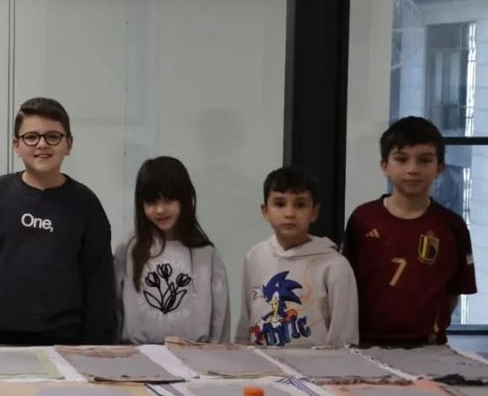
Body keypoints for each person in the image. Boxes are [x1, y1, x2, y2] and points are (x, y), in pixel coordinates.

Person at [0, 97, 116, 345]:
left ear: (69, 144)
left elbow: (99, 286)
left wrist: (94, 349)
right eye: (31, 137)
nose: (42, 144)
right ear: (16, 145)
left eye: (53, 137)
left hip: (64, 345)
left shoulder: (85, 205)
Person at [343, 116, 475, 346]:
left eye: (424, 160)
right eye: (401, 159)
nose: (412, 169)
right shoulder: (362, 219)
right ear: (384, 166)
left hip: (428, 346)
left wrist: (432, 327)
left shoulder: (452, 225)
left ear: (440, 167)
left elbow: (454, 291)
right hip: (366, 343)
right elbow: (344, 283)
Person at [236, 166, 358, 347]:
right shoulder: (255, 256)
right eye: (279, 204)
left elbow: (344, 337)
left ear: (314, 212)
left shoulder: (335, 265)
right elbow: (246, 322)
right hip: (261, 362)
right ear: (265, 211)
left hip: (318, 364)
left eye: (300, 205)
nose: (289, 214)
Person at [115, 157, 229, 344]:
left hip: (195, 356)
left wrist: (217, 355)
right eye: (151, 202)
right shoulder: (128, 249)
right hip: (137, 355)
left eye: (168, 200)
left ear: (185, 200)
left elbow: (220, 318)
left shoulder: (206, 254)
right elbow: (114, 308)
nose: (160, 210)